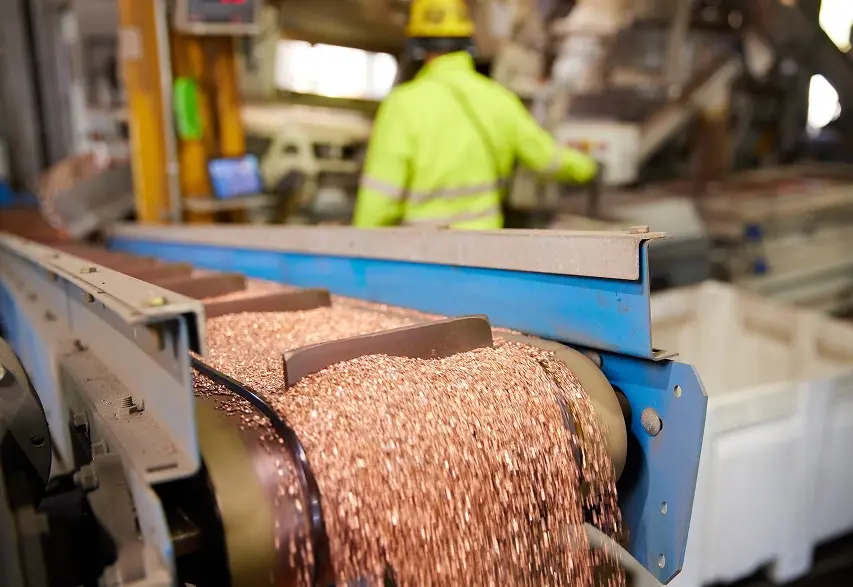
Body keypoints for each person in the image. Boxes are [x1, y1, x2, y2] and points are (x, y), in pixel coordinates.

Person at [352, 0, 599, 229]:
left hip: (424, 258)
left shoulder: (403, 105)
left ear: (418, 46)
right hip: (483, 253)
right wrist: (587, 167)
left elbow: (380, 199)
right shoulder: (498, 98)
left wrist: (358, 247)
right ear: (467, 41)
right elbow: (544, 156)